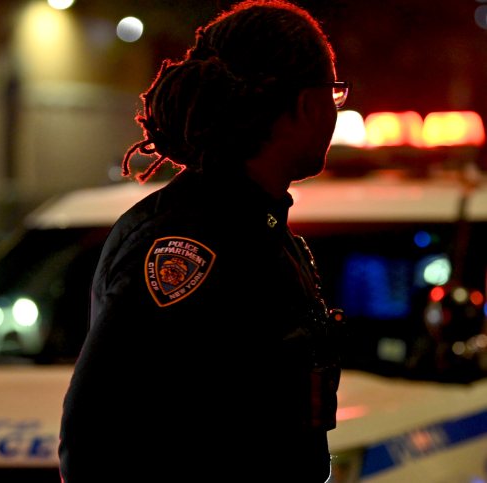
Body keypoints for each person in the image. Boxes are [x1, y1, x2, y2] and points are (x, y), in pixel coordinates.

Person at [59, 1, 348, 481]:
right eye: (334, 93)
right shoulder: (189, 242)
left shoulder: (256, 227)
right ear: (305, 104)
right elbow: (94, 438)